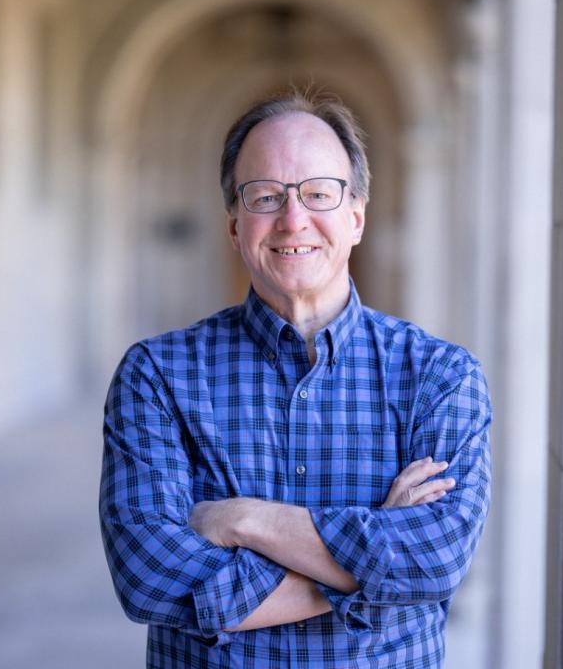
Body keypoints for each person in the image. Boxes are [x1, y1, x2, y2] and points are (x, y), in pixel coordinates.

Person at [99, 89, 492, 669]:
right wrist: (372, 558)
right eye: (265, 196)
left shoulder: (440, 375)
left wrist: (241, 520)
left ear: (355, 216)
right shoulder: (156, 375)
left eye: (318, 193)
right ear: (234, 225)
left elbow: (435, 561)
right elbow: (150, 579)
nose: (293, 218)